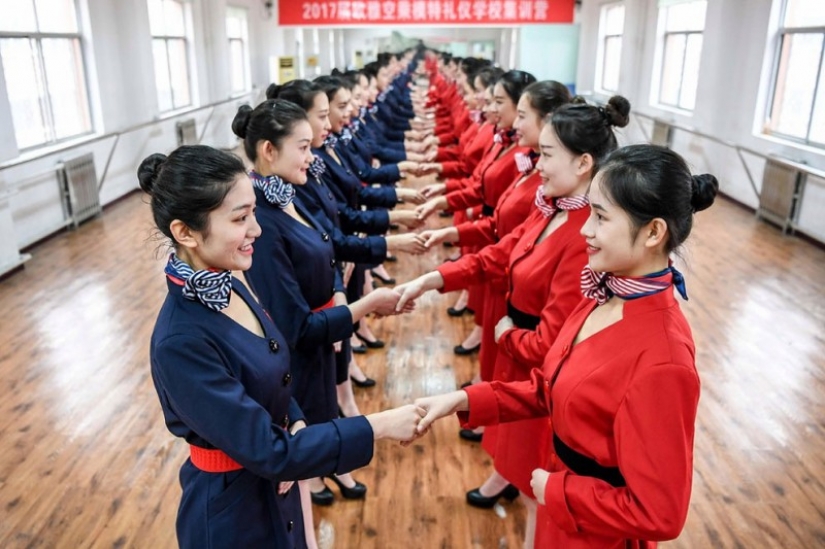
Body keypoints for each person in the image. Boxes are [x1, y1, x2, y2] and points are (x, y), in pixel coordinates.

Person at [408, 143, 718, 548]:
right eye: (589, 211)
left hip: (596, 533)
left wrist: (558, 490)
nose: (586, 229)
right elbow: (550, 386)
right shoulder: (602, 294)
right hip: (562, 507)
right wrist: (460, 401)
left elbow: (659, 513)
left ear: (654, 232)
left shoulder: (665, 359)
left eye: (601, 217)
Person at [140, 144, 425, 548]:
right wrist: (378, 425)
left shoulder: (231, 280)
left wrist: (297, 422)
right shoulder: (180, 341)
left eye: (253, 212)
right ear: (185, 232)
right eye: (240, 219)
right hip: (233, 513)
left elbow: (275, 369)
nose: (256, 229)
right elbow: (268, 450)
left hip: (275, 484)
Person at [396, 95, 630, 547]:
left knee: (532, 493)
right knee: (524, 486)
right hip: (517, 365)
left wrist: (506, 335)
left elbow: (553, 343)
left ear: (584, 163)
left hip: (534, 378)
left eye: (546, 155)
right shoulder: (554, 209)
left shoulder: (584, 237)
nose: (537, 164)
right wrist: (434, 277)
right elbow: (502, 253)